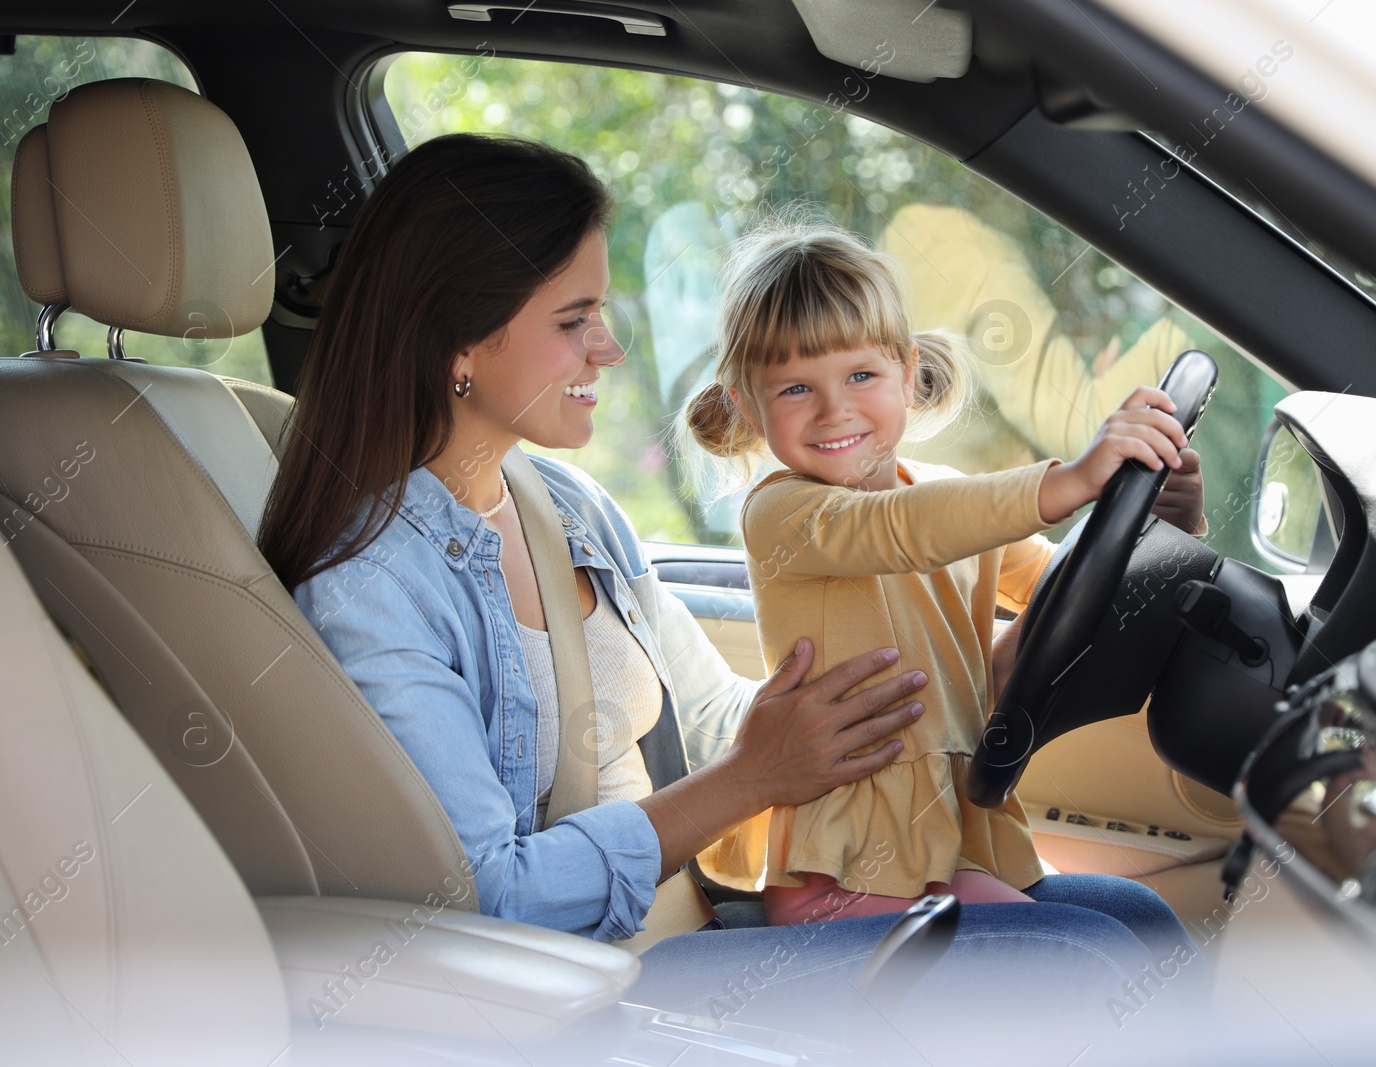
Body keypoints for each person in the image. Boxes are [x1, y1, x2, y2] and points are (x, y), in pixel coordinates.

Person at [257, 132, 1199, 1038]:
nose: (610, 350)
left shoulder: (568, 508)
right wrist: (753, 778)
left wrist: (977, 662)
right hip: (587, 988)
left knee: (1139, 921)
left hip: (710, 919)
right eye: (574, 319)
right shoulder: (375, 586)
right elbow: (490, 893)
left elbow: (721, 721)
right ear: (459, 342)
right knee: (1078, 957)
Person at [681, 220, 1205, 926]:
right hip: (847, 870)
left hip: (949, 851)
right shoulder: (785, 514)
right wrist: (1072, 479)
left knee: (1142, 919)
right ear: (747, 403)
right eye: (796, 388)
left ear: (907, 370)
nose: (836, 409)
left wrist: (1164, 523)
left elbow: (1075, 587)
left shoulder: (939, 490)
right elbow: (902, 529)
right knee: (1082, 947)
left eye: (861, 375)